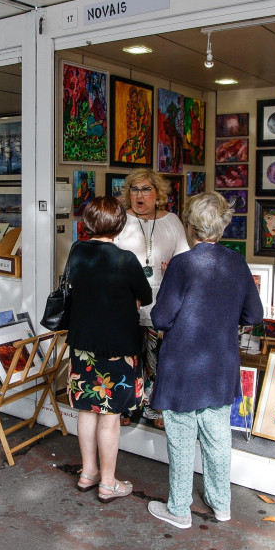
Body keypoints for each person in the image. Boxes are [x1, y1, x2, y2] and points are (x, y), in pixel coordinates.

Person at [146, 192, 264, 529]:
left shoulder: (183, 264)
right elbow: (254, 314)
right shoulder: (236, 262)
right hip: (220, 364)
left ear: (190, 225)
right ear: (223, 227)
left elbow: (161, 318)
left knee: (182, 441)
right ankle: (221, 504)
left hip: (182, 365)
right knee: (218, 438)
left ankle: (179, 510)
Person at [66, 196, 152, 503]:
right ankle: (108, 482)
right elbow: (146, 295)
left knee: (87, 409)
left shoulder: (76, 252)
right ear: (120, 224)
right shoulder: (124, 259)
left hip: (83, 345)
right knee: (110, 415)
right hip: (117, 346)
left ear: (88, 223)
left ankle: (88, 473)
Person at [113, 168, 189, 427]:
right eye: (134, 189)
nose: (139, 195)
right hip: (127, 302)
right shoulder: (119, 220)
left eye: (146, 189)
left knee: (159, 358)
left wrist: (174, 268)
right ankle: (125, 407)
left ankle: (155, 409)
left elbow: (186, 259)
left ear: (158, 193)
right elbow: (109, 258)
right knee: (128, 357)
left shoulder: (173, 221)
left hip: (162, 301)